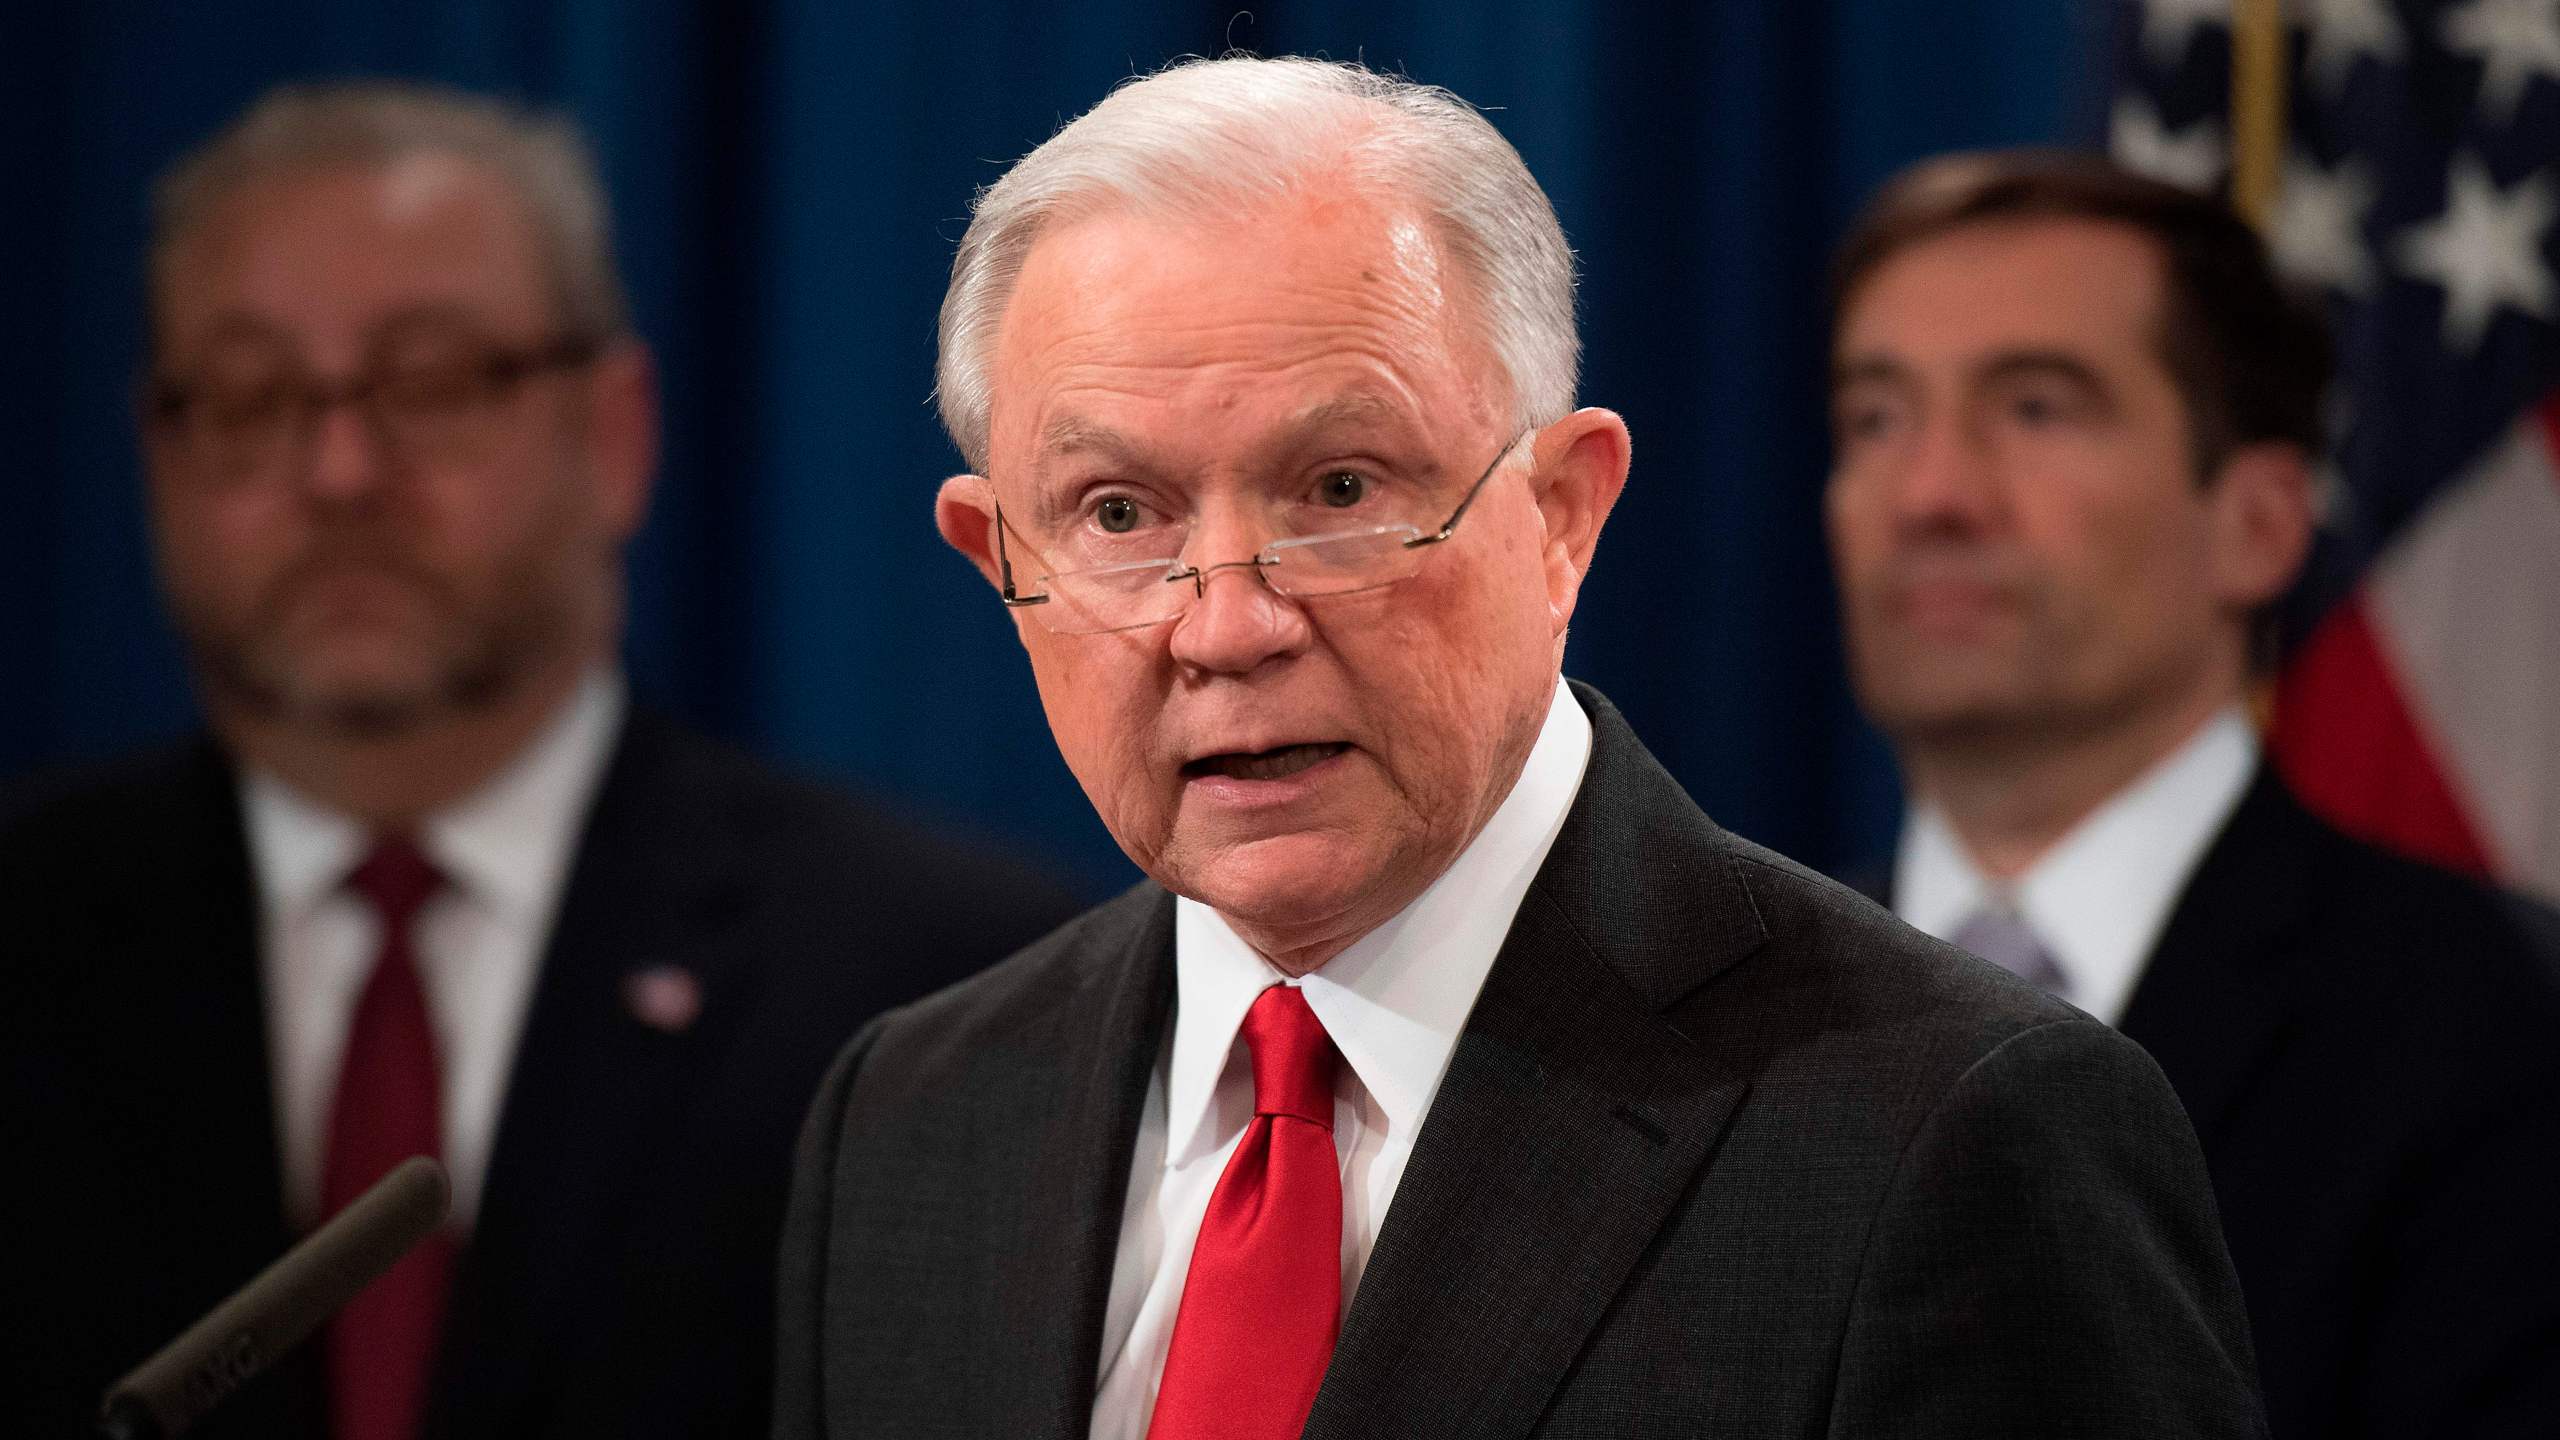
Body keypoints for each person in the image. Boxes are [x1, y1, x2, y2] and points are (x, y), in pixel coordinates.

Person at [774, 57, 2266, 1439]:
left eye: (1340, 485)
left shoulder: (1956, 1131)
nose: (1225, 625)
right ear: (997, 562)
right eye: (1116, 515)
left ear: (1562, 515)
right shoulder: (914, 1121)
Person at [0, 82, 1079, 1440]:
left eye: (431, 381)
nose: (338, 471)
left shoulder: (951, 983)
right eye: (251, 395)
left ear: (615, 434)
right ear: (158, 455)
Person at [1825, 148, 2560, 1437]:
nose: (1931, 493)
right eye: (1876, 418)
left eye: (2038, 408)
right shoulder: (1709, 1016)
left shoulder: (2503, 1030)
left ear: (2261, 525)